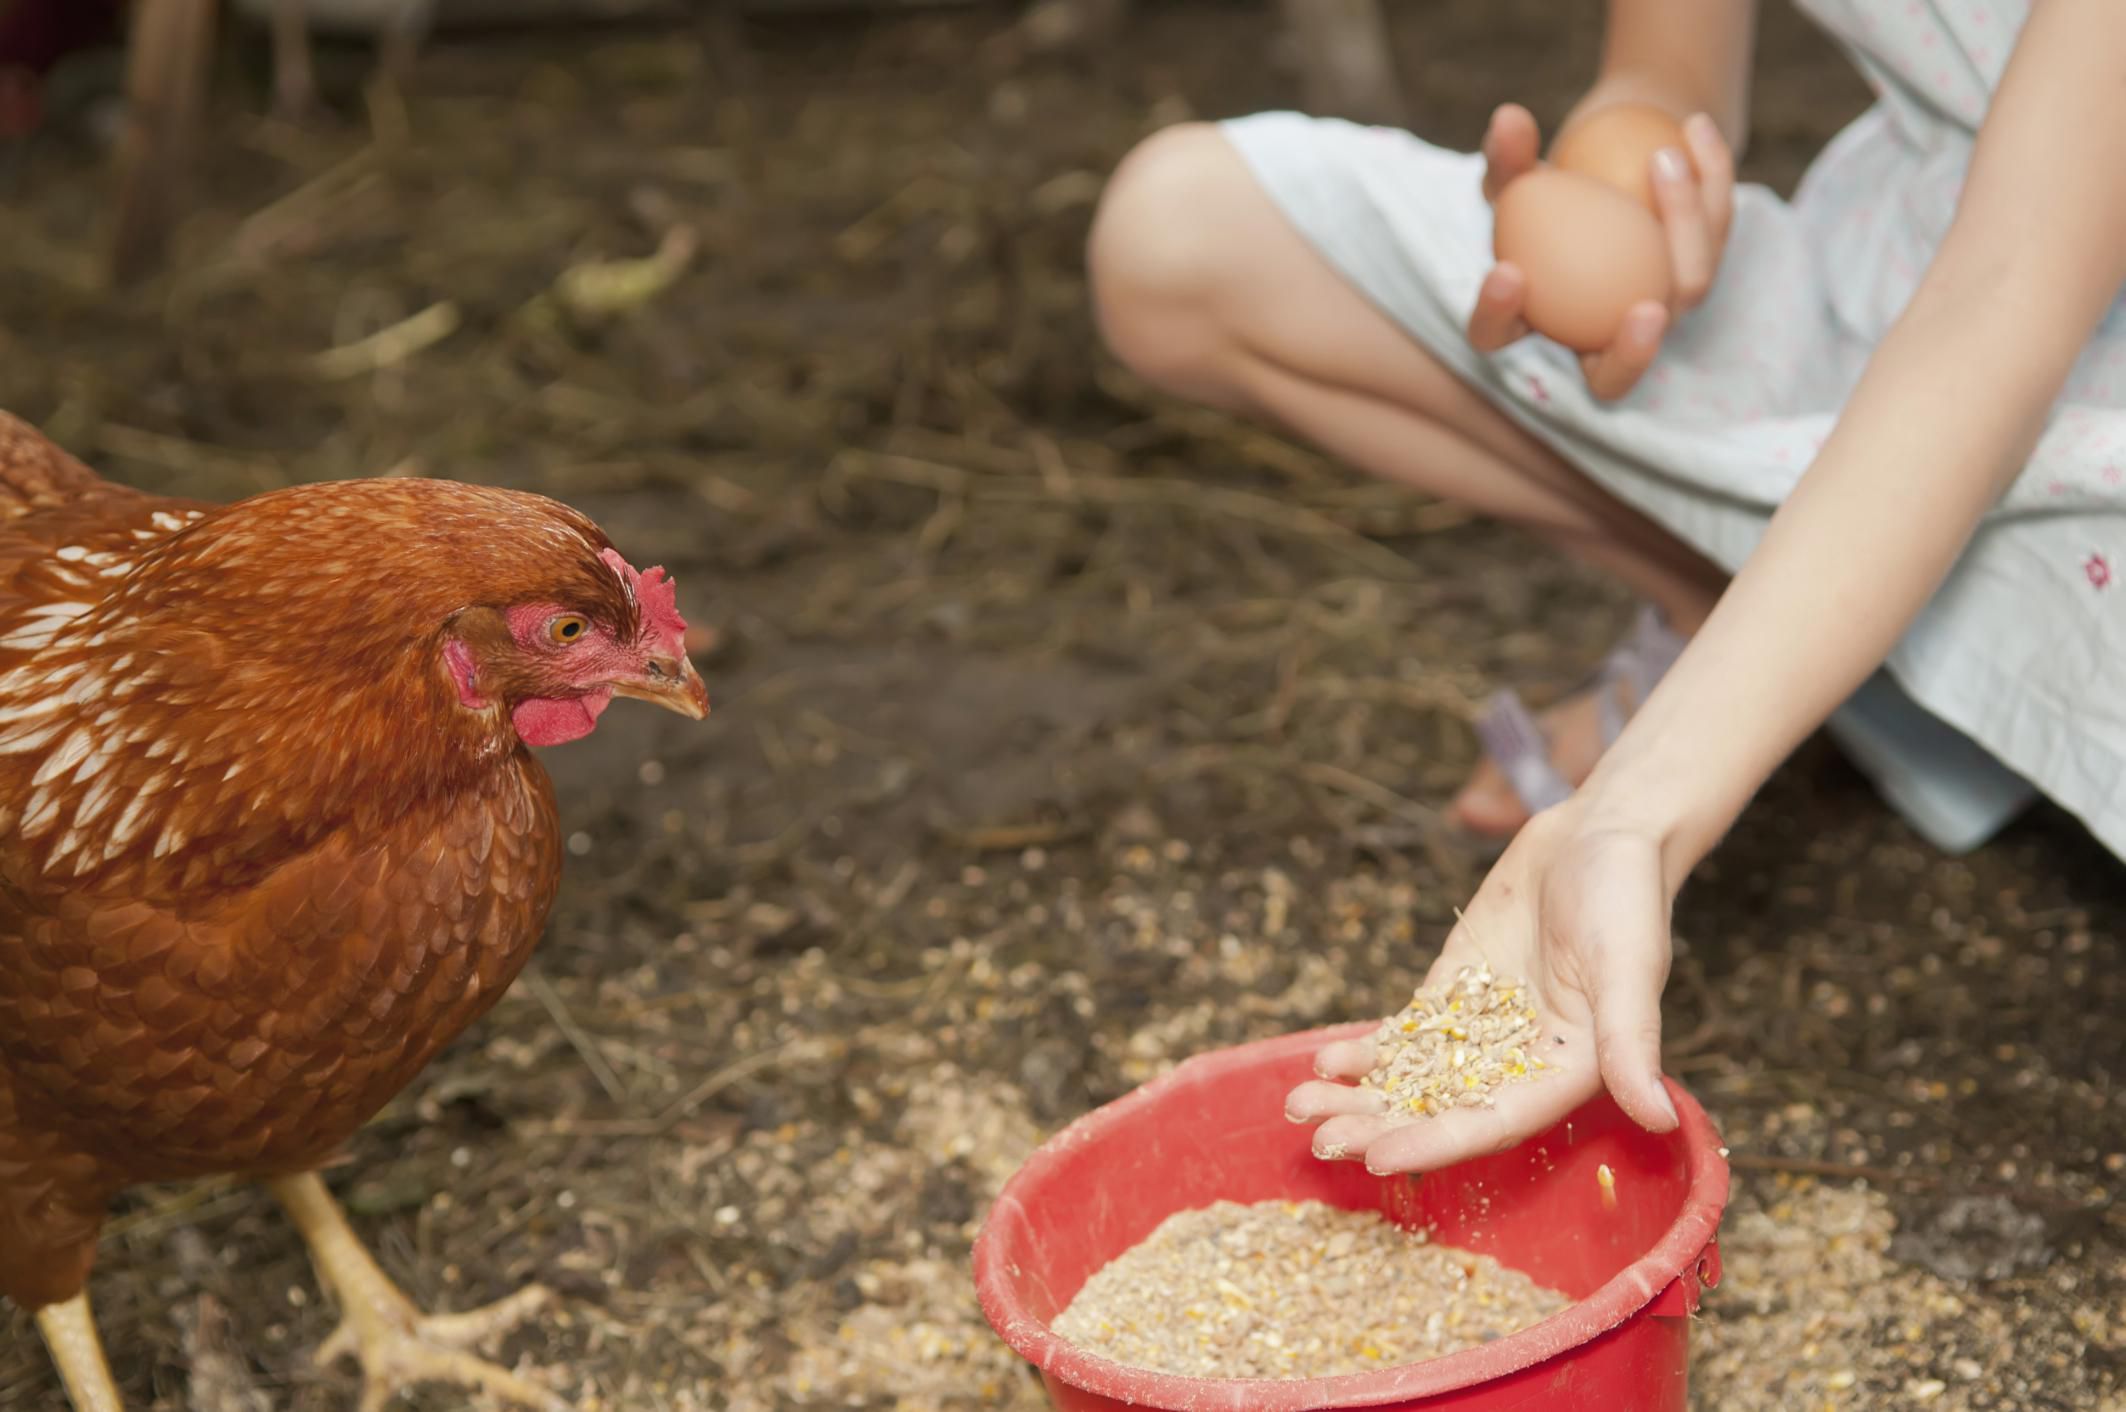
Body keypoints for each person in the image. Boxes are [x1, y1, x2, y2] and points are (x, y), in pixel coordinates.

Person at [1085, 0, 2126, 1175]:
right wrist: (1619, 188)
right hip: (1888, 285)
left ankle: (1825, 662)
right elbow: (1659, 72)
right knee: (1180, 233)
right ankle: (1761, 632)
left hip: (2034, 357)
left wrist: (1627, 815)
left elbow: (2002, 306)